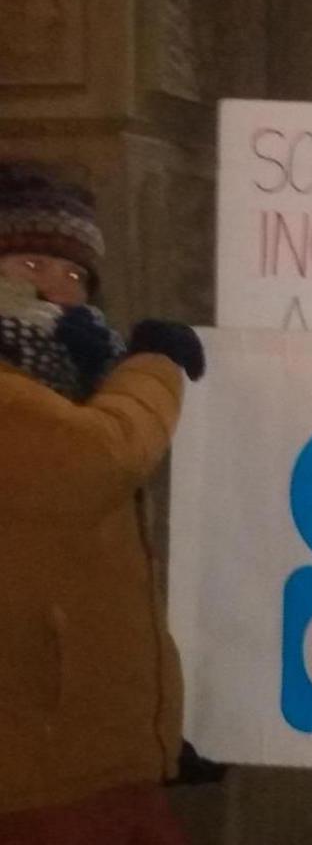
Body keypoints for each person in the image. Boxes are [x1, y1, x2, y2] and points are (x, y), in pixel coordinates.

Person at [0, 164, 206, 845]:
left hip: (80, 747)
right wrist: (153, 368)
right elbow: (102, 456)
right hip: (40, 755)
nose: (57, 287)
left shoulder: (71, 371)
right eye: (31, 261)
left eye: (76, 274)